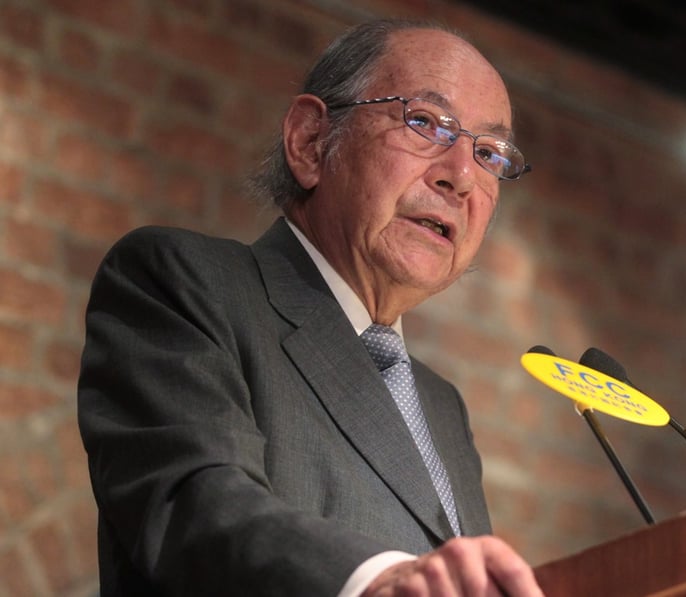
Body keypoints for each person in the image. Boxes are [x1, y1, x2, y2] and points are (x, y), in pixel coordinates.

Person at [77, 18, 542, 597]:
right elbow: (193, 502)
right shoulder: (184, 282)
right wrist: (372, 581)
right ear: (311, 142)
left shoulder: (441, 406)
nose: (463, 177)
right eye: (425, 122)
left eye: (490, 153)